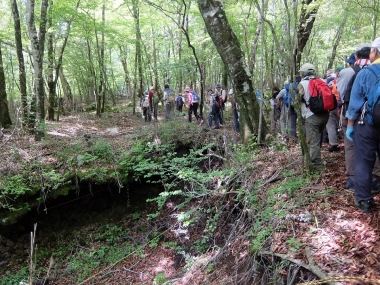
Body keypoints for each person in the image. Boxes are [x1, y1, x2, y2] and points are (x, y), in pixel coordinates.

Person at [337, 44, 380, 190]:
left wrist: (349, 123)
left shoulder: (350, 72)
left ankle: (357, 183)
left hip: (362, 119)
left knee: (354, 150)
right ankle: (376, 176)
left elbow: (344, 96)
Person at [345, 37, 380, 213]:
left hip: (367, 125)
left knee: (364, 162)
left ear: (374, 52)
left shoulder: (365, 73)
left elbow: (355, 103)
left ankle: (364, 200)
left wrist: (350, 126)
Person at [297, 63, 329, 170]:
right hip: (325, 114)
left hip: (311, 116)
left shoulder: (302, 84)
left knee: (313, 141)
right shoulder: (322, 81)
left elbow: (296, 101)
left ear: (303, 73)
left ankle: (316, 165)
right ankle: (316, 159)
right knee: (317, 138)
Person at [325, 69, 340, 152]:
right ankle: (346, 141)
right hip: (340, 104)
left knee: (330, 125)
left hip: (330, 105)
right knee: (341, 123)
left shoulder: (325, 82)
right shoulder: (338, 80)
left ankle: (334, 144)